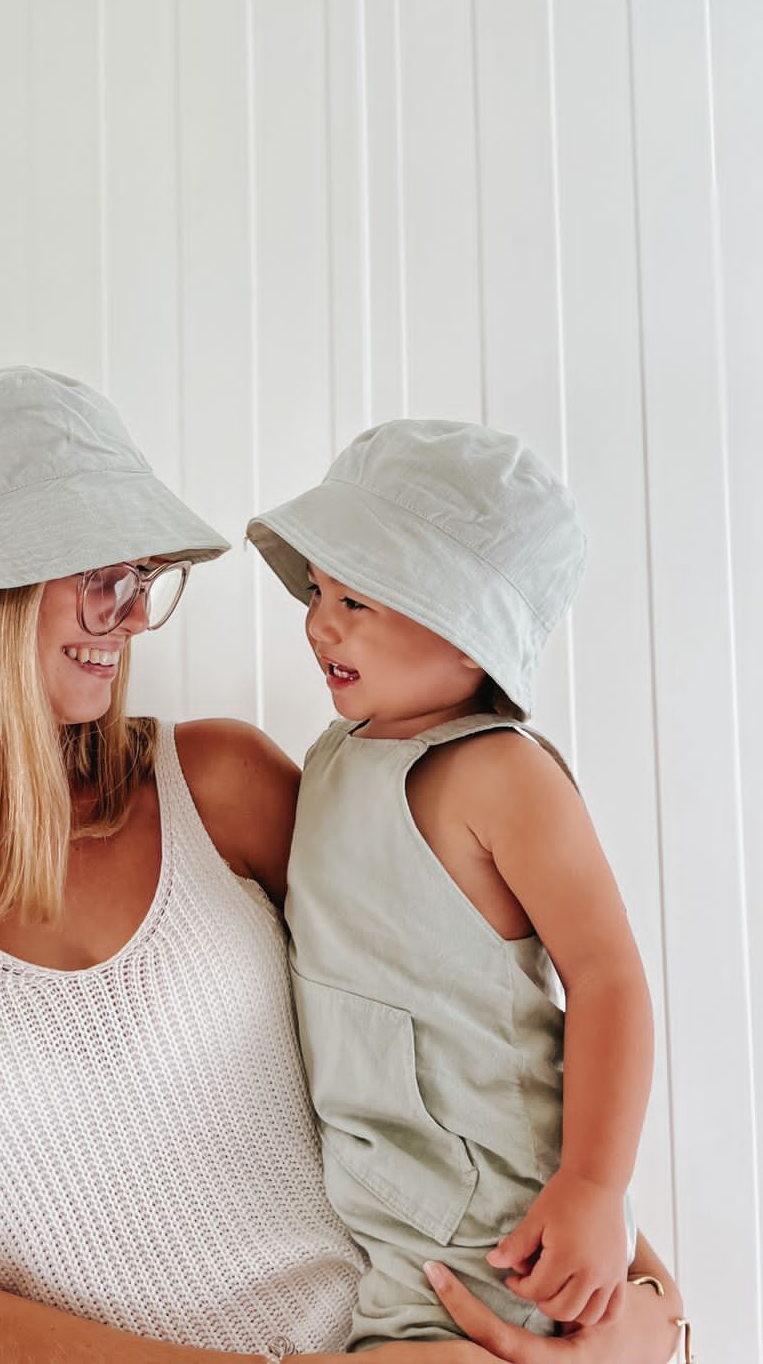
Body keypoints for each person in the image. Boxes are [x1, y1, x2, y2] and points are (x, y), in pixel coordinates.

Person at [0, 369, 682, 1362]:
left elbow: (471, 1032)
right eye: (94, 574)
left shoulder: (221, 783)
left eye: (141, 576)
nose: (127, 614)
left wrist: (638, 1313)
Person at [246, 420, 655, 1352]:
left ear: (471, 637)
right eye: (319, 590)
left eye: (360, 600)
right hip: (382, 1205)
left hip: (508, 1218)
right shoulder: (332, 762)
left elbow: (608, 980)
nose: (321, 621)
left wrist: (593, 1186)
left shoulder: (501, 774)